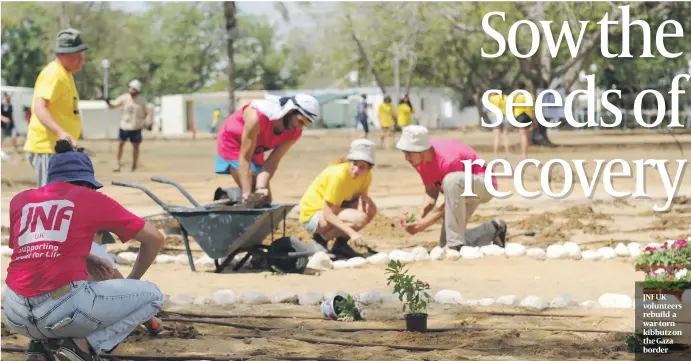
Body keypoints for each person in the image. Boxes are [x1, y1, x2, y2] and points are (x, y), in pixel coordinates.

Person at [3, 140, 165, 361]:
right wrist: (132, 282)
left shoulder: (21, 201)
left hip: (15, 313)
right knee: (153, 296)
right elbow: (155, 238)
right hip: (62, 311)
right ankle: (84, 347)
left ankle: (41, 346)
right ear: (87, 183)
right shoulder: (90, 198)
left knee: (53, 288)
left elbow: (38, 250)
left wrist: (87, 256)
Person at [395, 125, 508, 251]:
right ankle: (493, 229)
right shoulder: (419, 162)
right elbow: (431, 194)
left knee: (452, 181)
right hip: (461, 191)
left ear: (421, 150)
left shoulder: (449, 161)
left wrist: (425, 223)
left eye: (409, 153)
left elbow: (451, 199)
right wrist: (418, 218)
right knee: (445, 242)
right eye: (404, 153)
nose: (406, 158)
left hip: (483, 185)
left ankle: (455, 244)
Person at [215, 94, 320, 203]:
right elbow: (245, 158)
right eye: (300, 121)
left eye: (304, 125)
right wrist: (247, 193)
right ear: (290, 111)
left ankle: (234, 196)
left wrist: (260, 188)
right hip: (233, 141)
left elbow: (272, 161)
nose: (299, 128)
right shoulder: (256, 117)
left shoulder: (295, 132)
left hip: (256, 146)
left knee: (264, 198)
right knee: (250, 192)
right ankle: (230, 196)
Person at [24, 28, 87, 188]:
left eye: (82, 54)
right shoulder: (53, 74)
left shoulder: (66, 74)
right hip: (47, 148)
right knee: (49, 199)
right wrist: (61, 133)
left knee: (62, 197)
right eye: (75, 56)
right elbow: (39, 108)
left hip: (60, 149)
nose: (81, 60)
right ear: (61, 55)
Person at [299, 139, 377, 258]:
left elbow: (359, 199)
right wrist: (352, 233)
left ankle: (340, 245)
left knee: (369, 210)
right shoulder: (338, 175)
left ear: (368, 169)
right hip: (313, 216)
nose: (356, 170)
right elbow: (328, 214)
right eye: (354, 164)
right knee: (359, 218)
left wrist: (368, 202)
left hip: (332, 211)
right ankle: (319, 240)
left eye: (362, 167)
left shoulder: (366, 176)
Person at [107, 79, 151, 172]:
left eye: (133, 89)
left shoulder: (141, 100)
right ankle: (117, 164)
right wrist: (108, 103)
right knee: (120, 145)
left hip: (136, 126)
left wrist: (148, 122)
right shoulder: (124, 98)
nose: (131, 90)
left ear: (137, 90)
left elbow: (147, 113)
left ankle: (134, 165)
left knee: (136, 147)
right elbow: (113, 106)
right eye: (130, 88)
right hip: (124, 126)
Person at [511, 81, 533, 158]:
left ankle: (523, 154)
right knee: (526, 136)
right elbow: (534, 109)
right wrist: (535, 121)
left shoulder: (515, 96)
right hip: (528, 116)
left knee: (523, 136)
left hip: (519, 115)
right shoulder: (530, 96)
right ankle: (525, 153)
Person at [487, 89, 510, 158]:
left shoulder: (492, 98)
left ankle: (495, 155)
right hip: (505, 116)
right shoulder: (506, 98)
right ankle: (507, 153)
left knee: (497, 136)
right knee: (505, 136)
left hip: (495, 117)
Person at [2, 92, 21, 157]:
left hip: (10, 124)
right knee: (1, 138)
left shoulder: (10, 106)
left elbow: (11, 115)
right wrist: (3, 119)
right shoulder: (1, 105)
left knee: (14, 137)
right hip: (3, 125)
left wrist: (13, 122)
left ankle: (15, 149)